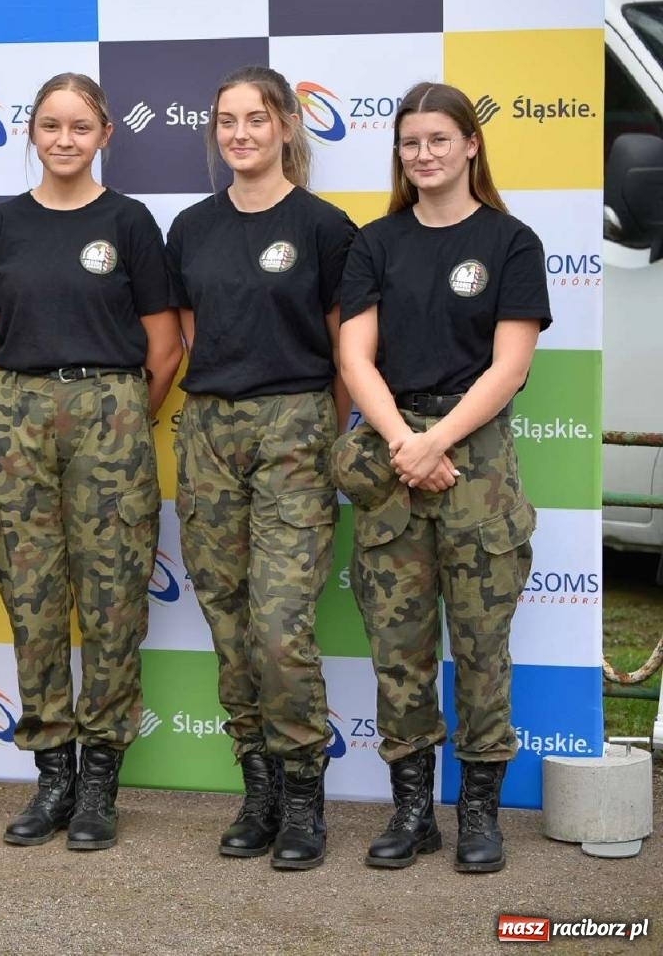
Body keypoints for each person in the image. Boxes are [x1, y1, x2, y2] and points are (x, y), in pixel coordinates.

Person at [333, 80, 548, 874]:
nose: (423, 154)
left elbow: (510, 366)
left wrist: (437, 442)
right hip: (397, 461)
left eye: (438, 140)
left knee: (484, 650)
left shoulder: (510, 241)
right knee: (400, 652)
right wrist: (404, 442)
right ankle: (413, 811)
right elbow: (355, 355)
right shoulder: (375, 243)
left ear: (470, 145)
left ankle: (480, 815)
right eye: (410, 142)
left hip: (475, 464)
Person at [0, 73, 181, 852]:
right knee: (32, 600)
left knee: (114, 602)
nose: (64, 139)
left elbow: (165, 347)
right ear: (31, 131)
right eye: (51, 125)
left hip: (111, 419)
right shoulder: (0, 226)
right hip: (18, 417)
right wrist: (25, 408)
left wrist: (116, 418)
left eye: (80, 127)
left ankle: (98, 785)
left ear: (105, 134)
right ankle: (52, 775)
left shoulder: (130, 222)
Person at [163, 66, 355, 870]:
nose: (240, 133)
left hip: (295, 427)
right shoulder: (191, 228)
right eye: (227, 120)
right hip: (209, 432)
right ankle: (259, 789)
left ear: (285, 125)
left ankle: (304, 794)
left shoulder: (325, 227)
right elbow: (190, 336)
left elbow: (348, 351)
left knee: (280, 625)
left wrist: (320, 434)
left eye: (255, 118)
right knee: (230, 622)